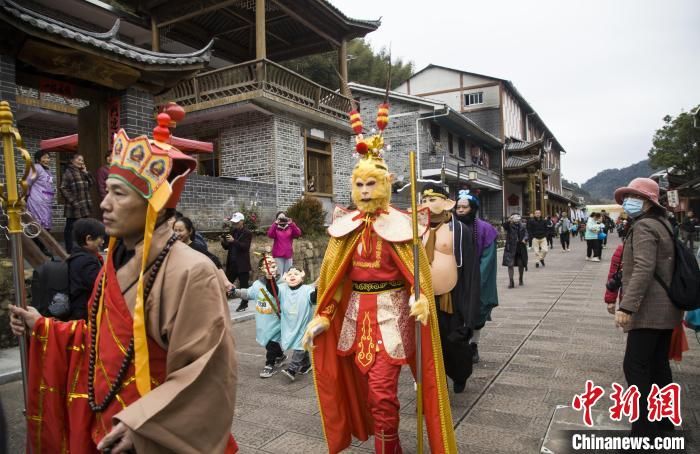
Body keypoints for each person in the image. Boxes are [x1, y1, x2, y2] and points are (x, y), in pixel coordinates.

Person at [10, 114, 238, 452]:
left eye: (118, 193)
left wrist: (148, 425)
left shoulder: (192, 271)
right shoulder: (113, 262)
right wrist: (43, 327)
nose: (104, 203)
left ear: (152, 204)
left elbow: (207, 374)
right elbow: (105, 340)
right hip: (108, 423)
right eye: (106, 192)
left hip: (144, 430)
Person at [301, 108, 457, 453]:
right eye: (359, 184)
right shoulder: (345, 228)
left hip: (392, 316)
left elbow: (417, 278)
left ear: (385, 185)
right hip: (355, 320)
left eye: (372, 183)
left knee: (383, 396)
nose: (365, 190)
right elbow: (336, 281)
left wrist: (421, 300)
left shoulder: (402, 225)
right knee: (367, 394)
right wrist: (324, 315)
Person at [612, 178, 682, 436]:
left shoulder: (643, 228)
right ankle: (664, 425)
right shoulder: (664, 224)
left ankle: (642, 432)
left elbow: (643, 268)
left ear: (646, 202)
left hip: (649, 310)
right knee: (658, 366)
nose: (628, 202)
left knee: (636, 367)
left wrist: (627, 306)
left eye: (634, 197)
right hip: (666, 309)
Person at [420, 182, 480, 391]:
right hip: (424, 297)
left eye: (432, 199)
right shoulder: (417, 229)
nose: (427, 204)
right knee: (428, 344)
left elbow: (471, 271)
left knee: (454, 343)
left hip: (452, 297)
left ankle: (460, 373)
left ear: (447, 203)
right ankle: (434, 383)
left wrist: (470, 313)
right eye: (424, 200)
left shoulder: (459, 230)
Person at [455, 190, 498, 364]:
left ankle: (474, 345)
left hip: (478, 278)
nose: (460, 210)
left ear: (473, 209)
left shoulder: (486, 229)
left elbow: (488, 260)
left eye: (464, 207)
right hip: (454, 279)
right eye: (458, 207)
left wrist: (475, 280)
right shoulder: (451, 227)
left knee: (477, 313)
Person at [232, 254, 286, 378]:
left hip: (276, 320)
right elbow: (249, 293)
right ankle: (280, 355)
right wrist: (236, 292)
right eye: (268, 264)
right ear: (262, 269)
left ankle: (269, 364)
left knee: (272, 341)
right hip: (263, 320)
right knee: (268, 341)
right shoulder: (257, 284)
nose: (271, 266)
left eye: (273, 264)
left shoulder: (283, 283)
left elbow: (285, 296)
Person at [173, 216, 234, 293]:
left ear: (190, 231)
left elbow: (215, 262)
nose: (177, 234)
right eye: (175, 230)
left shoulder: (197, 248)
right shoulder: (172, 248)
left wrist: (225, 282)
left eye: (180, 230)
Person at [279, 266, 316, 381]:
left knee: (301, 344)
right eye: (290, 274)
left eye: (296, 274)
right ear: (285, 277)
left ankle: (292, 369)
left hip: (304, 324)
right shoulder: (283, 289)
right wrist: (271, 278)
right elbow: (273, 291)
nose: (293, 276)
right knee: (300, 345)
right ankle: (306, 365)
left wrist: (318, 289)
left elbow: (314, 299)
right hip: (290, 324)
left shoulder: (307, 289)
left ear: (302, 276)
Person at [66, 218, 105, 321]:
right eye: (100, 238)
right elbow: (101, 284)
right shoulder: (86, 262)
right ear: (89, 239)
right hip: (84, 313)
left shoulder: (78, 256)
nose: (102, 242)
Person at [60, 152, 95, 253]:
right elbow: (63, 188)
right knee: (70, 228)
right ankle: (69, 249)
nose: (81, 162)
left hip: (84, 205)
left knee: (84, 227)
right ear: (72, 161)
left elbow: (91, 183)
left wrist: (86, 172)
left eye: (82, 160)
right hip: (73, 206)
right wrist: (73, 202)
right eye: (79, 160)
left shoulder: (82, 172)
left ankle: (83, 247)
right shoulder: (68, 172)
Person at [222, 211, 252, 312]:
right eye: (233, 223)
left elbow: (245, 247)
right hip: (232, 263)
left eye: (236, 222)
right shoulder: (232, 231)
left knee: (244, 286)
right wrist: (223, 241)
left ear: (242, 221)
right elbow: (227, 247)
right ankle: (221, 303)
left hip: (242, 264)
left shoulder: (247, 233)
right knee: (225, 284)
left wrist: (233, 241)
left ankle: (244, 304)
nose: (234, 224)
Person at [26, 150, 55, 232]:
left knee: (46, 226)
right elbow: (27, 183)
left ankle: (42, 244)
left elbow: (47, 185)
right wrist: (26, 195)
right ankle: (37, 244)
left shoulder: (47, 170)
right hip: (37, 201)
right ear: (38, 159)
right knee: (38, 225)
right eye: (44, 158)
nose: (47, 160)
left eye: (48, 158)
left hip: (46, 202)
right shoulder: (35, 168)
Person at [503, 213, 528, 287]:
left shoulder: (523, 225)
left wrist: (525, 239)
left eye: (517, 216)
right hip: (510, 247)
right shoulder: (509, 225)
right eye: (514, 217)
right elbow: (504, 226)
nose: (516, 218)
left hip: (520, 247)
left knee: (521, 264)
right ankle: (511, 281)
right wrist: (509, 221)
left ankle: (521, 278)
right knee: (510, 264)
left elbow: (527, 234)